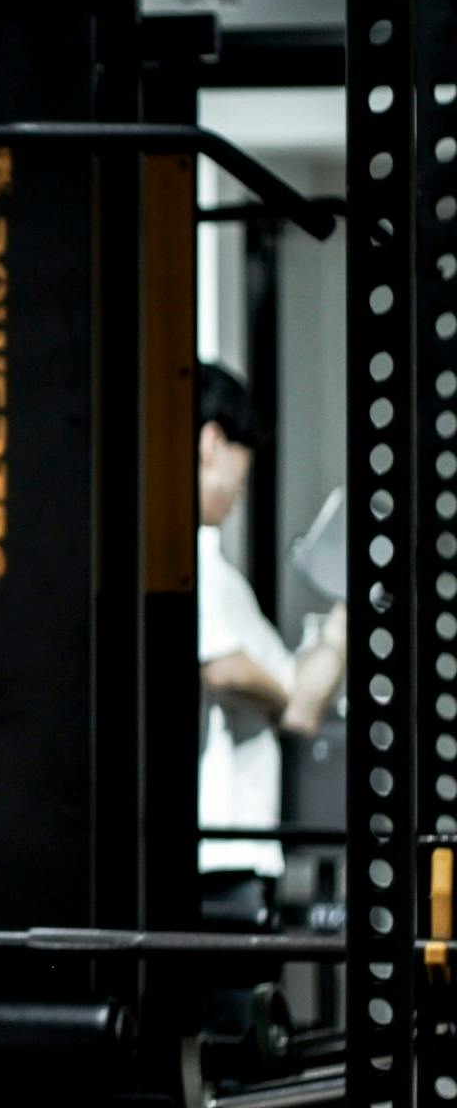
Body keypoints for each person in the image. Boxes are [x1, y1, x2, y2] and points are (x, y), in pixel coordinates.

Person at [195, 360, 347, 876]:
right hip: (219, 856)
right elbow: (224, 668)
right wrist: (282, 694)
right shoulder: (190, 559)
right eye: (244, 460)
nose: (242, 490)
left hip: (236, 854)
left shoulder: (216, 572)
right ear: (212, 442)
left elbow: (302, 705)